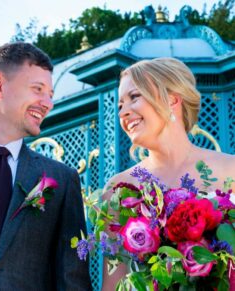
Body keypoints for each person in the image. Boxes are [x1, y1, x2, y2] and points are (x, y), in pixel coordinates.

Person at [0, 42, 92, 290]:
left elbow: (72, 279)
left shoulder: (62, 180)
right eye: (38, 90)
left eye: (51, 95)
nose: (48, 103)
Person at [101, 57, 235, 290]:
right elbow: (114, 282)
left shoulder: (230, 170)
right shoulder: (118, 188)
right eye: (120, 104)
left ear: (172, 99)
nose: (123, 112)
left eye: (134, 97)